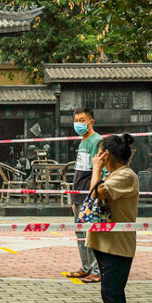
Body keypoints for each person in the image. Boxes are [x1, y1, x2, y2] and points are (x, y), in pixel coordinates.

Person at [84, 133, 139, 303]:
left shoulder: (125, 175)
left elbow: (96, 192)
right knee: (112, 293)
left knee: (112, 294)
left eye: (100, 153)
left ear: (106, 154)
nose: (97, 156)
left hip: (117, 245)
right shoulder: (115, 174)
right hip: (106, 243)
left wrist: (95, 168)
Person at [67, 107, 102, 283]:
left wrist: (92, 196)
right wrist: (74, 197)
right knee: (81, 234)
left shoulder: (97, 141)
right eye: (76, 120)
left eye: (82, 120)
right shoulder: (82, 142)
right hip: (79, 195)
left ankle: (96, 270)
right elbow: (80, 171)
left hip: (90, 196)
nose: (78, 124)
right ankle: (86, 267)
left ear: (91, 122)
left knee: (92, 234)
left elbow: (99, 170)